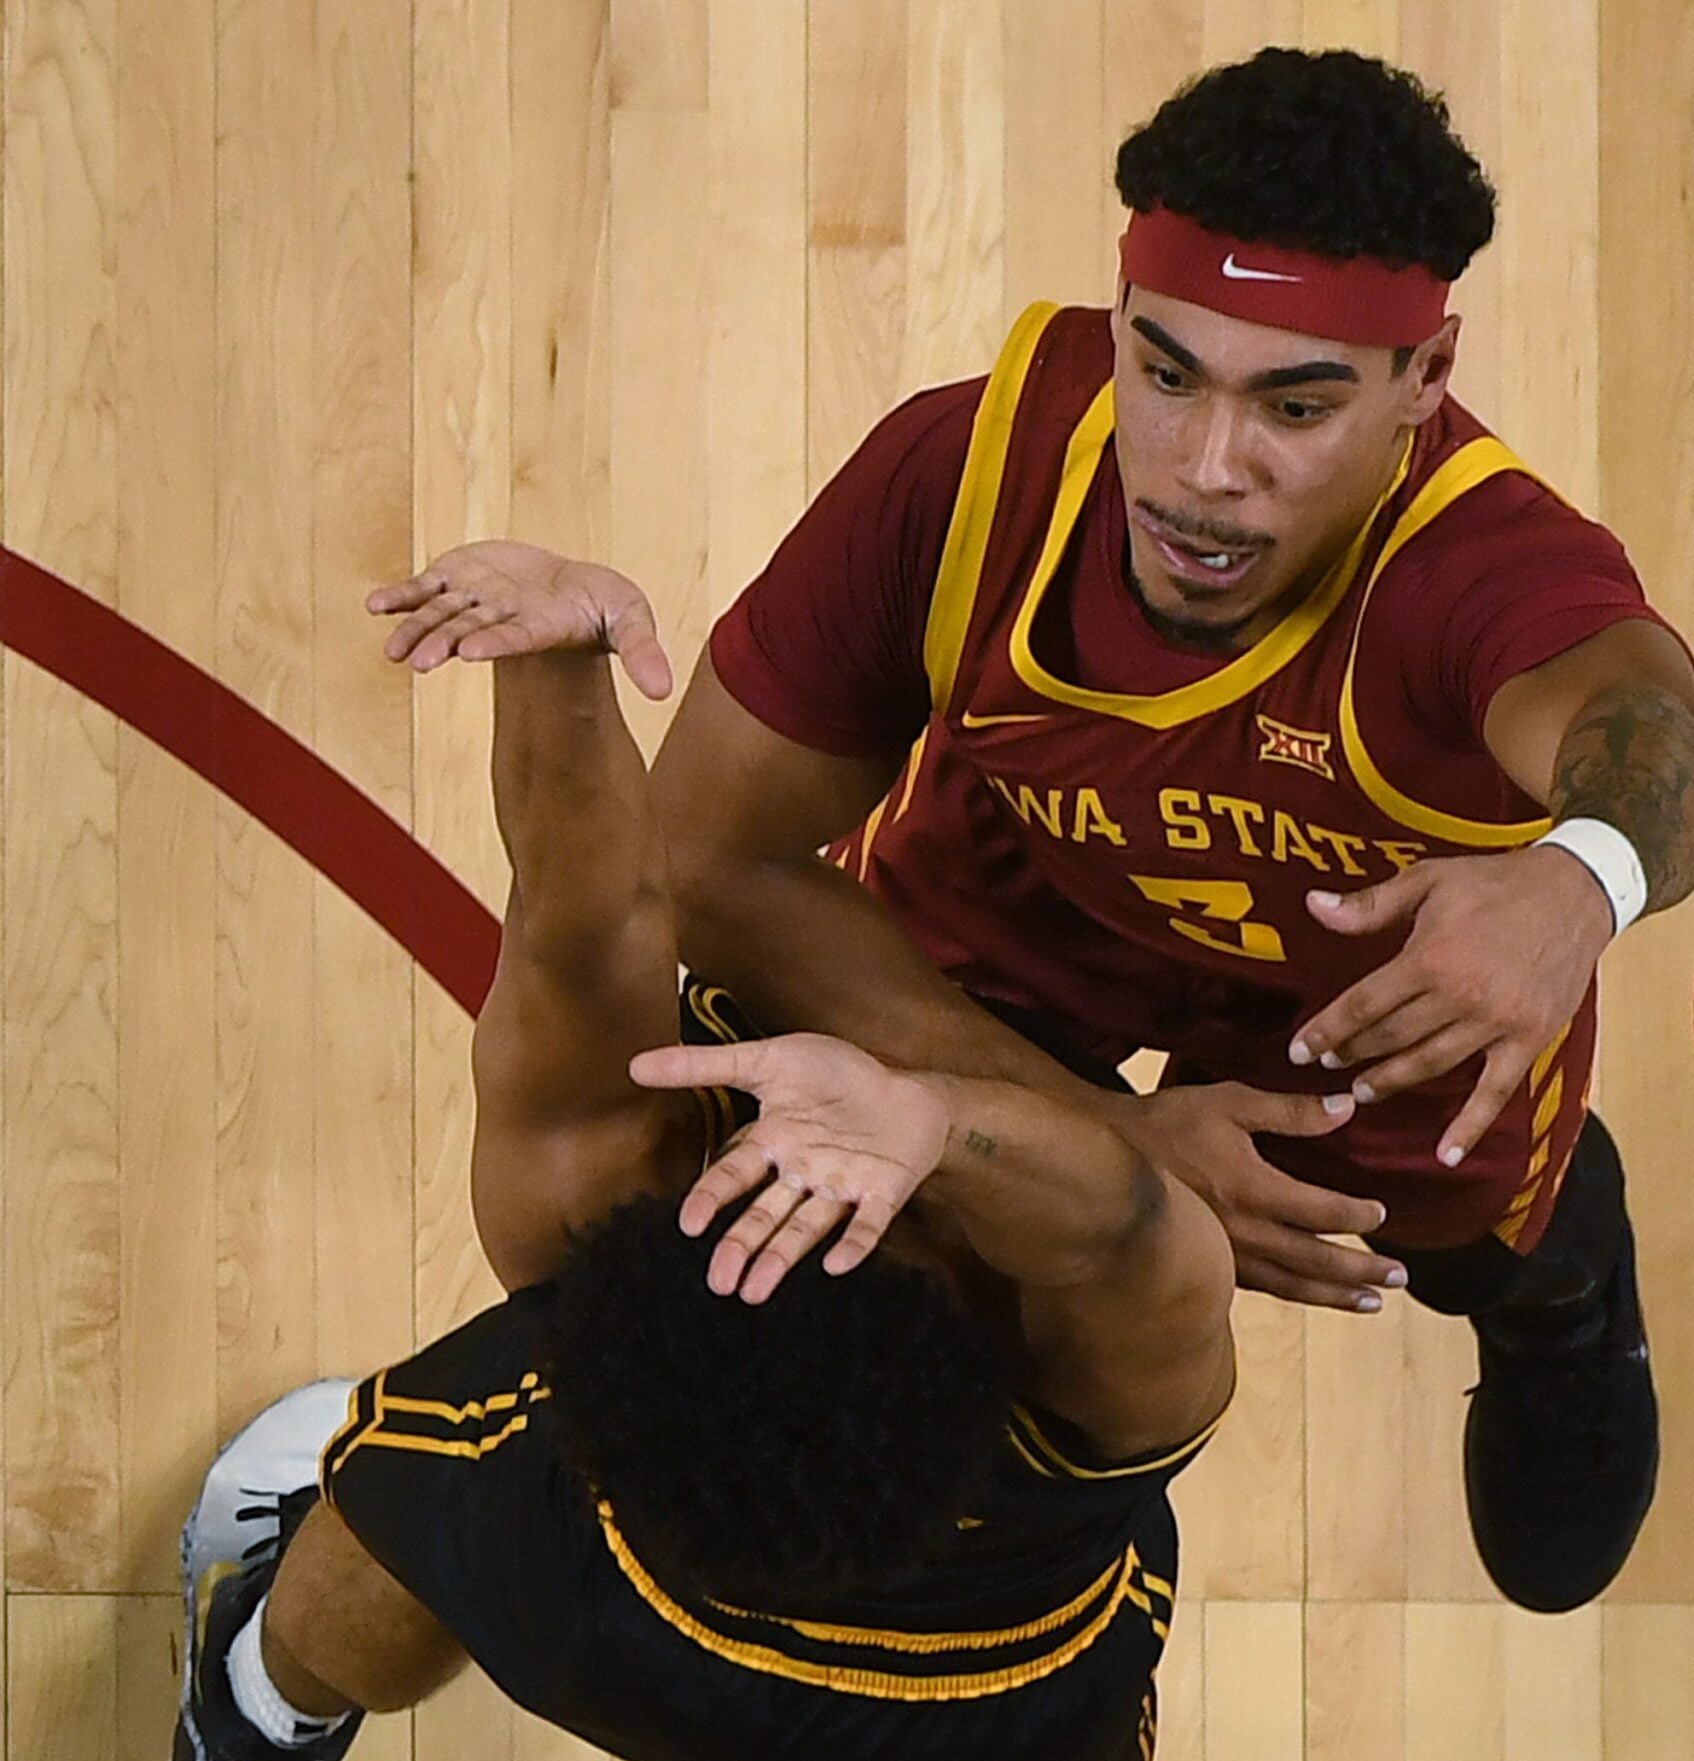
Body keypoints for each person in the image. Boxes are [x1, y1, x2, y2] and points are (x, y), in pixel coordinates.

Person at [571, 48, 1694, 1610]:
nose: (1204, 470)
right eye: (1167, 373)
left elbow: (1659, 738)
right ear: (1118, 317)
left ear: (1424, 377)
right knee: (906, 1216)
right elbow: (704, 861)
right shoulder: (966, 476)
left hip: (1356, 977)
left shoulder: (1474, 565)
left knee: (1438, 1229)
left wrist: (1576, 883)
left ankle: (1557, 1283)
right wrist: (1108, 1139)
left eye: (1297, 405)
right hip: (1025, 892)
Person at [173, 550, 1262, 1760]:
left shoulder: (584, 1213)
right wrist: (932, 1122)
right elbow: (1130, 1222)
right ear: (967, 1352)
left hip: (602, 1614)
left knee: (406, 1512)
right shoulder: (1088, 1415)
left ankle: (258, 1712)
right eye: (866, 1219)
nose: (827, 1179)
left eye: (782, 1205)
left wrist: (557, 676)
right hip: (1007, 1707)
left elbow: (580, 936)